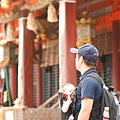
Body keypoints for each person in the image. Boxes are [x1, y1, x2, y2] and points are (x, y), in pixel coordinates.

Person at [70, 44, 102, 120]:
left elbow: (85, 111)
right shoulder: (95, 78)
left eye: (76, 56)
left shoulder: (88, 81)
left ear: (81, 59)